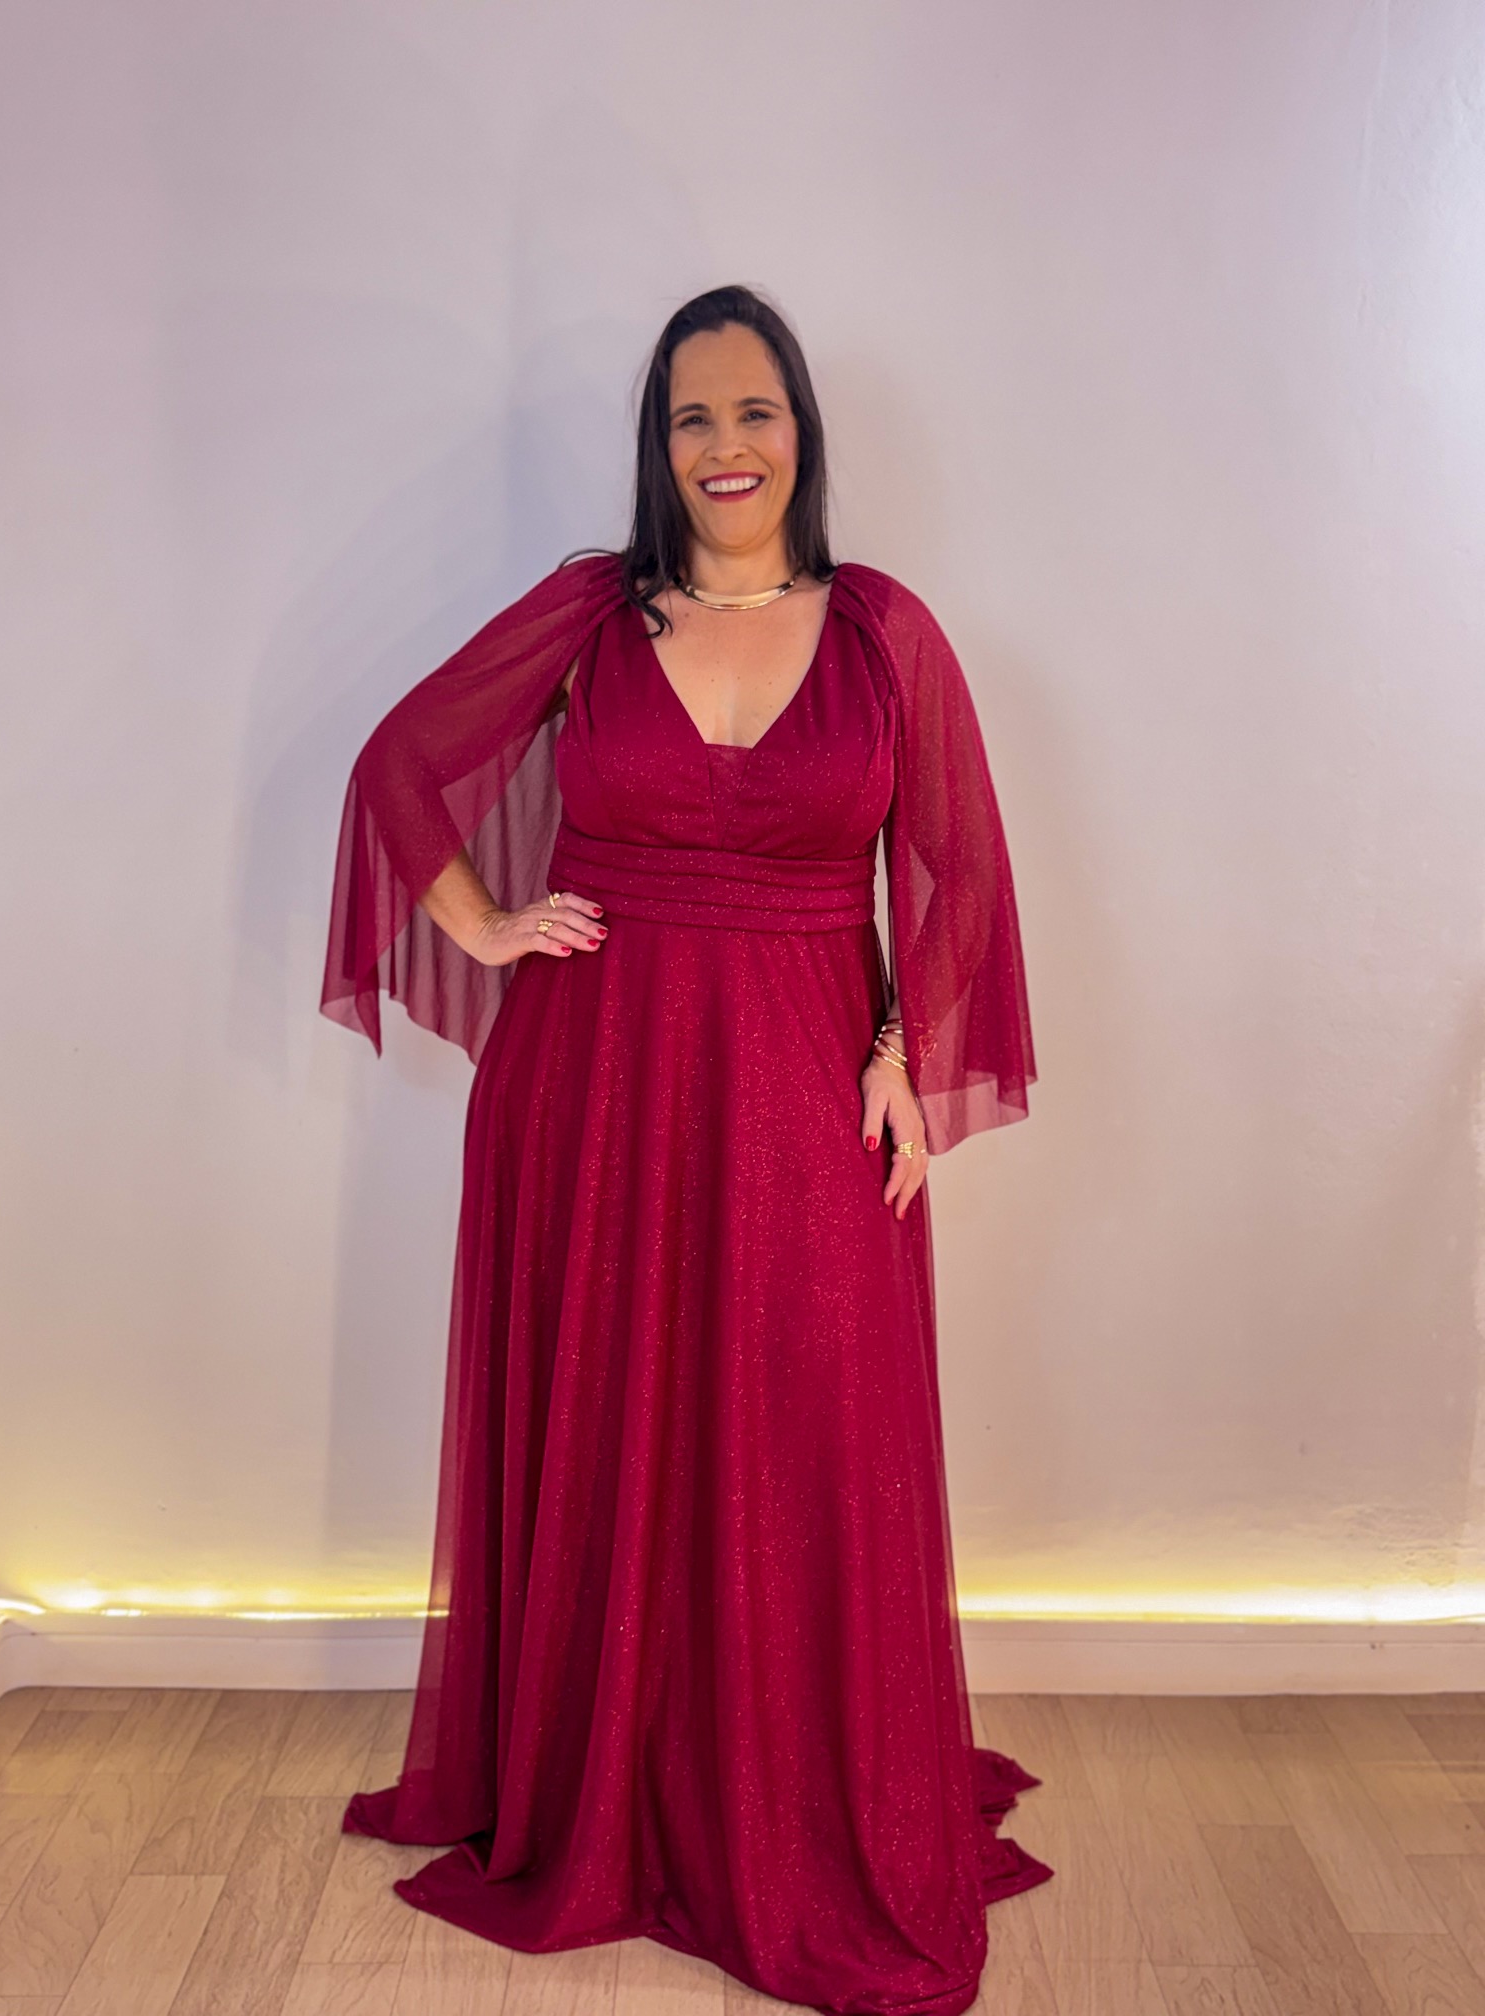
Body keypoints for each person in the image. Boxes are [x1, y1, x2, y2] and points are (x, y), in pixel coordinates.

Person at [321, 284, 1051, 2016]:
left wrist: (903, 1056)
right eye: (692, 418)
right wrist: (488, 927)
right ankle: (614, 1788)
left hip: (805, 1097)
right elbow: (399, 765)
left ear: (803, 432)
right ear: (660, 448)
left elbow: (958, 865)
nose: (727, 448)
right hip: (594, 1091)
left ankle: (788, 1805)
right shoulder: (592, 616)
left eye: (754, 411)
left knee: (804, 1434)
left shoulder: (882, 633)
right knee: (616, 1426)